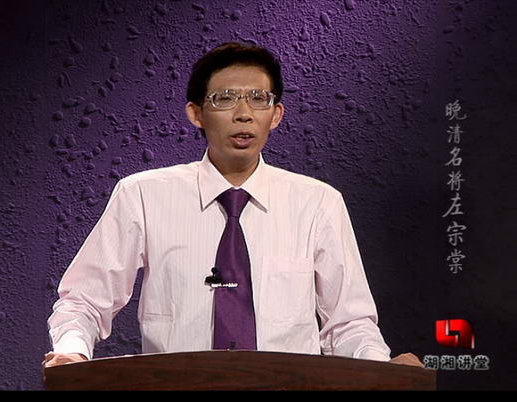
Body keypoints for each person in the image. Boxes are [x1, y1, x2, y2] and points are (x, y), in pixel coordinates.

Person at [44, 42, 422, 368]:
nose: (244, 113)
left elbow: (349, 323)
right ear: (196, 113)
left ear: (276, 115)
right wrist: (72, 352)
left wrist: (382, 368)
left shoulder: (319, 203)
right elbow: (84, 301)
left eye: (259, 99)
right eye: (225, 98)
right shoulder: (142, 195)